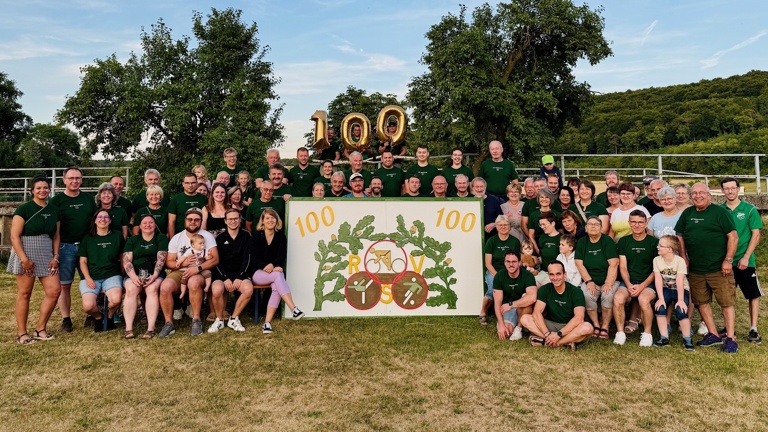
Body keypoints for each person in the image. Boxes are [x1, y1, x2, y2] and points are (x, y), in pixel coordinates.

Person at [675, 182, 738, 353]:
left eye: (701, 193)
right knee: (701, 302)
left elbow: (733, 236)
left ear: (709, 195)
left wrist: (728, 260)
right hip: (696, 268)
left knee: (726, 303)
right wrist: (684, 257)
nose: (697, 196)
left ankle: (731, 338)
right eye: (694, 193)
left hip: (719, 268)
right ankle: (713, 334)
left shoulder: (720, 213)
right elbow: (679, 235)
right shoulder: (687, 213)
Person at [8, 176, 61, 344]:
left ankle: (40, 328)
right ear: (32, 190)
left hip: (46, 251)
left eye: (45, 187)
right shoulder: (24, 209)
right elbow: (14, 237)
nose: (42, 191)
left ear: (50, 189)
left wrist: (55, 256)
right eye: (38, 188)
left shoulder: (54, 210)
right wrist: (24, 259)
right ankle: (22, 333)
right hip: (26, 250)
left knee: (54, 291)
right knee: (25, 293)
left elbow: (56, 236)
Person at [158, 208, 219, 337]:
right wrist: (184, 263)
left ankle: (196, 320)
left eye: (196, 220)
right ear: (185, 221)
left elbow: (215, 259)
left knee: (193, 282)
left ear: (201, 221)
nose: (193, 222)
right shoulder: (177, 238)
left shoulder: (206, 236)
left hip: (199, 271)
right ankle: (169, 323)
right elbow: (169, 262)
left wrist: (197, 268)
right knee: (165, 287)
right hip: (180, 271)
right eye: (190, 219)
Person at [50, 166, 97, 332]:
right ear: (64, 180)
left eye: (77, 178)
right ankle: (66, 319)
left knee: (90, 282)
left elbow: (95, 223)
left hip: (86, 247)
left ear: (81, 180)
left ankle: (91, 315)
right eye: (71, 178)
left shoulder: (88, 199)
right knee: (65, 285)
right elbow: (53, 228)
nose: (74, 181)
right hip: (65, 247)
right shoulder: (56, 201)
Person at [720, 177, 763, 343]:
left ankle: (753, 329)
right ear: (722, 191)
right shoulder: (719, 210)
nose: (730, 191)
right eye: (726, 188)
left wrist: (745, 257)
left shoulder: (749, 209)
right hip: (726, 260)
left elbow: (756, 234)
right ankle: (728, 327)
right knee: (727, 295)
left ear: (738, 189)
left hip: (745, 261)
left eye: (733, 188)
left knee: (752, 294)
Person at [250, 209, 305, 334]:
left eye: (273, 218)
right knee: (278, 275)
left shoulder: (280, 236)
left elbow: (281, 255)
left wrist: (274, 265)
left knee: (276, 286)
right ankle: (293, 308)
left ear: (277, 220)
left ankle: (267, 323)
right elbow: (254, 258)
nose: (270, 220)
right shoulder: (256, 236)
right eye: (267, 218)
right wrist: (267, 266)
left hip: (274, 272)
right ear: (262, 221)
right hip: (257, 273)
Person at [520, 261, 593, 350]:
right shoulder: (545, 289)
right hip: (551, 325)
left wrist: (559, 335)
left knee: (587, 328)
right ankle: (562, 342)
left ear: (564, 275)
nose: (555, 278)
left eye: (558, 274)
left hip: (570, 326)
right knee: (525, 319)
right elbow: (537, 313)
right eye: (552, 275)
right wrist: (547, 333)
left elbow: (579, 318)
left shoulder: (576, 292)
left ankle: (553, 342)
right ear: (549, 276)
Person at [612, 210, 658, 347]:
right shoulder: (624, 241)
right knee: (618, 298)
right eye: (633, 222)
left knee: (644, 300)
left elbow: (656, 269)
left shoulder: (654, 242)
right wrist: (629, 284)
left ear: (645, 223)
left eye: (640, 222)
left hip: (648, 282)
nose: (637, 225)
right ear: (629, 223)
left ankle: (647, 334)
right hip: (629, 282)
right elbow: (623, 267)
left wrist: (642, 286)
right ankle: (620, 333)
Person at [77, 209, 125, 332]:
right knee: (88, 306)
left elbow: (122, 258)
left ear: (110, 221)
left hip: (112, 275)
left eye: (106, 217)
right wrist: (87, 278)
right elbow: (82, 261)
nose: (103, 220)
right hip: (92, 276)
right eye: (100, 217)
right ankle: (99, 317)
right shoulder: (87, 238)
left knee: (116, 300)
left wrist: (124, 276)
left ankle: (109, 317)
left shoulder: (117, 236)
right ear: (95, 220)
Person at [122, 214, 168, 339]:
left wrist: (154, 276)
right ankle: (128, 328)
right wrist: (133, 277)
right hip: (134, 274)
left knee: (151, 289)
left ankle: (150, 328)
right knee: (131, 290)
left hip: (155, 273)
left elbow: (161, 259)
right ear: (140, 226)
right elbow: (127, 261)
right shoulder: (132, 240)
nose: (148, 225)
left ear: (155, 225)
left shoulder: (161, 238)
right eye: (145, 223)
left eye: (151, 222)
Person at [209, 209, 254, 333]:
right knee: (217, 290)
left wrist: (240, 276)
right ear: (225, 221)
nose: (233, 221)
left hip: (241, 273)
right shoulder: (219, 238)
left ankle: (234, 318)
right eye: (230, 219)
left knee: (248, 290)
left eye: (235, 218)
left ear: (240, 220)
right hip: (223, 274)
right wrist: (224, 278)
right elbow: (216, 260)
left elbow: (248, 258)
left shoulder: (247, 235)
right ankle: (219, 320)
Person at [575, 216, 619, 340]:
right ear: (586, 228)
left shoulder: (607, 241)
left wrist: (608, 283)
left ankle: (605, 326)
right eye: (590, 224)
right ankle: (595, 324)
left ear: (601, 228)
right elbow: (579, 263)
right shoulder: (582, 242)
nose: (593, 226)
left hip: (609, 279)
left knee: (608, 295)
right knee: (587, 294)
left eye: (596, 224)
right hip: (590, 279)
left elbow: (614, 263)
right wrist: (589, 281)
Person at [653, 235, 694, 350]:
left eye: (661, 245)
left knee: (681, 310)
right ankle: (664, 337)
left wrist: (680, 300)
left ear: (670, 249)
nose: (658, 247)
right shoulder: (656, 260)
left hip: (680, 289)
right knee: (660, 308)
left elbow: (680, 281)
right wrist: (660, 298)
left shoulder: (679, 261)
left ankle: (687, 339)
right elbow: (658, 279)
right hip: (666, 288)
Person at [479, 215, 522, 325]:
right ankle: (483, 312)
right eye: (500, 225)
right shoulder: (491, 241)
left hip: (511, 271)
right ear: (496, 227)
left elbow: (517, 260)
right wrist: (498, 276)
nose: (503, 227)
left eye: (506, 225)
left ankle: (508, 312)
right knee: (492, 289)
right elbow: (488, 263)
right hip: (494, 271)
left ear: (510, 226)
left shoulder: (515, 242)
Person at [493, 250, 538, 341]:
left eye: (514, 261)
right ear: (504, 263)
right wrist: (501, 324)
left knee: (526, 296)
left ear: (519, 262)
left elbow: (532, 298)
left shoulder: (528, 276)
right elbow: (497, 302)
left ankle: (519, 328)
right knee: (506, 332)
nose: (511, 265)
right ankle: (521, 326)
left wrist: (511, 305)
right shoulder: (499, 276)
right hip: (507, 309)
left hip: (522, 308)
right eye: (508, 262)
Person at [167, 173, 209, 237]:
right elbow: (171, 222)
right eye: (187, 183)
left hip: (200, 237)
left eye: (193, 183)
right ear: (183, 184)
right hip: (181, 236)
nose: (190, 185)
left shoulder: (204, 199)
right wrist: (172, 239)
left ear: (197, 183)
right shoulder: (176, 199)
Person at [472, 177, 503, 241]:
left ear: (485, 187)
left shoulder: (494, 200)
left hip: (491, 236)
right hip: (474, 236)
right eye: (477, 187)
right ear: (473, 188)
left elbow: (501, 217)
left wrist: (494, 224)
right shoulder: (469, 201)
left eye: (481, 186)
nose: (479, 189)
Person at [537, 212, 562, 283]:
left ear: (553, 223)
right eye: (540, 225)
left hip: (556, 274)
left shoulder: (561, 238)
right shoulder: (542, 237)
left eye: (544, 224)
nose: (542, 227)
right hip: (542, 271)